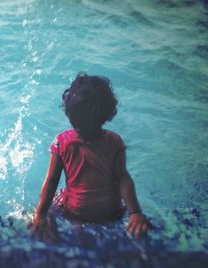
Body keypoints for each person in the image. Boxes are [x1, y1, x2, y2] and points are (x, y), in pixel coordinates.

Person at [32, 74, 150, 240]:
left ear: (69, 113)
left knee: (54, 201)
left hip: (74, 212)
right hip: (110, 213)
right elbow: (123, 178)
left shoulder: (62, 142)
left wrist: (40, 214)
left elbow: (51, 181)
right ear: (108, 114)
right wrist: (135, 213)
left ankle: (45, 230)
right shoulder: (114, 141)